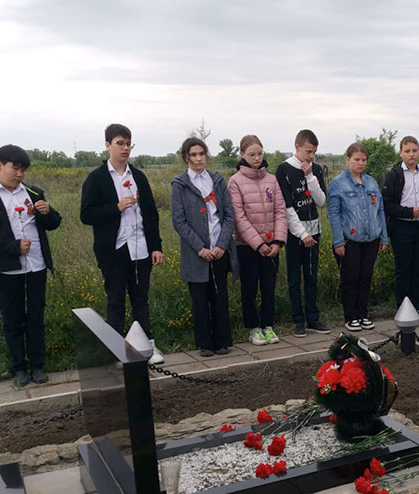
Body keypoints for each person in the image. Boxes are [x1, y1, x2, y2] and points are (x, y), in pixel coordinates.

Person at [0, 145, 62, 387]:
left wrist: (48, 212)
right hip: (6, 268)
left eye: (23, 170)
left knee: (36, 316)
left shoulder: (33, 192)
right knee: (13, 318)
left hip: (36, 265)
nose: (20, 174)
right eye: (15, 168)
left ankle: (38, 366)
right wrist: (13, 246)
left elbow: (53, 224)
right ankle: (19, 368)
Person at [80, 123, 165, 364]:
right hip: (114, 250)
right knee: (116, 299)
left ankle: (148, 346)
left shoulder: (138, 176)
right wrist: (115, 208)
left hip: (140, 249)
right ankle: (115, 352)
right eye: (120, 143)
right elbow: (86, 214)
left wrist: (155, 246)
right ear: (108, 145)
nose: (125, 148)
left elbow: (150, 214)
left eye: (129, 144)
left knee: (141, 299)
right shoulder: (97, 178)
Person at [170, 137, 239, 356]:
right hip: (196, 252)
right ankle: (205, 343)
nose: (198, 159)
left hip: (219, 249)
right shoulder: (180, 185)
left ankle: (222, 341)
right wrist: (200, 248)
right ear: (186, 158)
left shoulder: (217, 181)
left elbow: (228, 215)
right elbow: (178, 221)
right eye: (193, 155)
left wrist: (221, 244)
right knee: (200, 299)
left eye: (201, 154)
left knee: (219, 296)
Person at [230, 135, 287, 346]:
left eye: (259, 153)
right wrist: (258, 244)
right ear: (242, 155)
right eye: (252, 154)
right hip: (248, 246)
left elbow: (280, 210)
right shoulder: (235, 182)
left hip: (271, 245)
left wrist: (277, 241)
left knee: (269, 287)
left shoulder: (271, 180)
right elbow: (239, 216)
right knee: (250, 288)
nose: (256, 158)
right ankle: (253, 328)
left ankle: (268, 325)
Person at [327, 142, 388, 331]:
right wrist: (338, 241)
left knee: (365, 277)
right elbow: (334, 215)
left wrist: (384, 237)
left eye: (364, 160)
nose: (361, 163)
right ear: (348, 159)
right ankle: (351, 316)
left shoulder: (371, 182)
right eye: (357, 159)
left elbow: (380, 211)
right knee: (350, 278)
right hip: (349, 240)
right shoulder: (338, 184)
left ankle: (363, 313)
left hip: (371, 238)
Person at [275, 129, 330, 338]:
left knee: (311, 276)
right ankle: (298, 320)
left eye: (314, 152)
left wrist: (310, 177)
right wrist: (301, 234)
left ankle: (313, 318)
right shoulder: (284, 170)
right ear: (297, 147)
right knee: (294, 278)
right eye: (308, 151)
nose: (311, 156)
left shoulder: (314, 169)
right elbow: (287, 206)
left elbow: (321, 201)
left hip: (314, 229)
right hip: (295, 232)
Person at [382, 135, 419, 320]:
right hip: (401, 228)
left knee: (417, 268)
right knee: (403, 269)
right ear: (401, 153)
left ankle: (417, 305)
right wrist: (409, 212)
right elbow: (387, 204)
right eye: (407, 151)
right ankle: (402, 307)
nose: (411, 154)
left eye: (414, 150)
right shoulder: (394, 175)